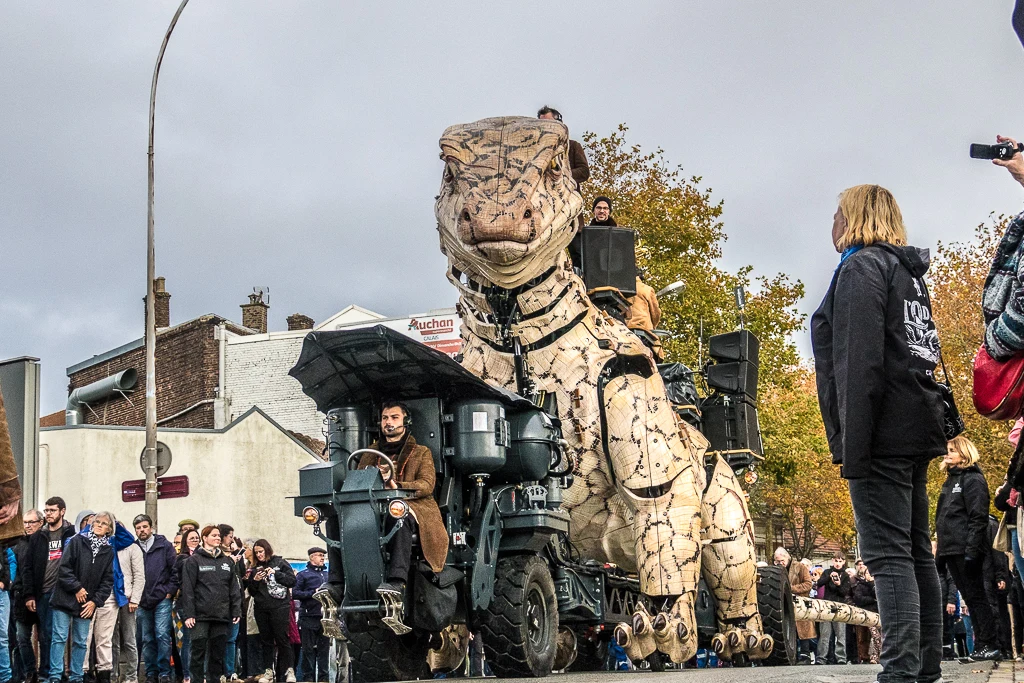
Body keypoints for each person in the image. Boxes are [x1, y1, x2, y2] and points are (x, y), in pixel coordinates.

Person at [811, 184, 947, 682]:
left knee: (888, 556)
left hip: (881, 432)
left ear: (852, 218)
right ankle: (924, 667)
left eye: (835, 213)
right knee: (914, 552)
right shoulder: (906, 272)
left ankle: (899, 673)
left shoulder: (860, 268)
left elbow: (858, 364)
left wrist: (854, 446)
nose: (831, 223)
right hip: (915, 426)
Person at [356, 402, 448, 597]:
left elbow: (426, 485)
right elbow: (357, 481)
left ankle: (397, 581)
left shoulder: (421, 452)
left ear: (406, 422)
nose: (388, 422)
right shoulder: (369, 454)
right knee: (336, 520)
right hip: (374, 507)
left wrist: (396, 486)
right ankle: (336, 582)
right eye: (385, 418)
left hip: (414, 505)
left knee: (398, 514)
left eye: (394, 417)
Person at [935, 435, 1002, 660]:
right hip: (951, 549)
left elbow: (978, 517)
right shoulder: (949, 481)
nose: (947, 453)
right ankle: (982, 644)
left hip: (966, 548)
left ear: (964, 453)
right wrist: (941, 553)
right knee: (969, 598)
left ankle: (989, 643)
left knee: (977, 597)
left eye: (952, 450)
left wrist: (972, 551)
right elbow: (943, 518)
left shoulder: (973, 479)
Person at [48, 511, 114, 683]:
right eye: (96, 522)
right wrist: (77, 588)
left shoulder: (108, 551)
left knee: (80, 641)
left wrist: (95, 602)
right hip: (64, 598)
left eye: (104, 523)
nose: (99, 525)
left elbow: (107, 582)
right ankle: (55, 676)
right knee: (59, 637)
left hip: (86, 604)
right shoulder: (77, 541)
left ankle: (76, 677)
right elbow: (63, 568)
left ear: (109, 529)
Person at [178, 527, 240, 683]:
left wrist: (236, 610)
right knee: (198, 653)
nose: (218, 538)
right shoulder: (193, 561)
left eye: (219, 535)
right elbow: (188, 589)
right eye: (214, 535)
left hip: (221, 615)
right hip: (200, 616)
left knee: (217, 654)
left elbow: (234, 589)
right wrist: (189, 614)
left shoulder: (227, 561)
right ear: (204, 538)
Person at [23, 498, 74, 683]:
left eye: (52, 510)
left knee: (60, 635)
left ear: (62, 511)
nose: (49, 514)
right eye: (46, 510)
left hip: (64, 591)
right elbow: (28, 567)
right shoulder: (38, 537)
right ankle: (48, 673)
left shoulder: (71, 534)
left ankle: (58, 672)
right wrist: (29, 594)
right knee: (45, 635)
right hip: (43, 592)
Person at [133, 514, 177, 683]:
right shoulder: (133, 547)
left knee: (162, 635)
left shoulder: (164, 545)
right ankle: (151, 673)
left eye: (144, 527)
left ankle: (164, 672)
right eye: (138, 528)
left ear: (151, 528)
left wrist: (169, 591)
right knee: (147, 638)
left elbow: (174, 570)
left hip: (162, 599)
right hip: (142, 600)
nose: (142, 530)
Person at [245, 540, 296, 683]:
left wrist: (276, 574)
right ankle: (268, 670)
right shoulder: (255, 568)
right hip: (261, 608)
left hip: (280, 606)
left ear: (267, 550)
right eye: (256, 553)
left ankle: (289, 670)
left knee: (282, 639)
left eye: (261, 551)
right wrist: (254, 580)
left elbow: (292, 581)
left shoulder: (280, 563)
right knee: (266, 640)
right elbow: (252, 592)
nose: (259, 555)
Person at [106, 518, 144, 683]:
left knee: (129, 639)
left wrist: (135, 599)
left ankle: (131, 676)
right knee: (111, 640)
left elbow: (139, 576)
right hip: (109, 598)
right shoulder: (107, 545)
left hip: (127, 598)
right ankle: (113, 676)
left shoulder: (132, 547)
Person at [12, 511, 42, 683]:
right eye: (25, 522)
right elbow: (16, 571)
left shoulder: (44, 542)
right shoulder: (19, 544)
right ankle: (31, 672)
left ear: (41, 522)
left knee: (47, 638)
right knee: (22, 638)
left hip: (42, 596)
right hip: (22, 598)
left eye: (32, 522)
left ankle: (47, 672)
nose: (28, 525)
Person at [293, 548, 328, 682]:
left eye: (323, 555)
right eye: (320, 555)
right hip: (308, 616)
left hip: (325, 616)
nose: (322, 558)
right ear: (311, 557)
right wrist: (314, 592)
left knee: (324, 649)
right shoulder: (303, 575)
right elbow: (295, 593)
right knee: (308, 649)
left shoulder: (327, 575)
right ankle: (308, 677)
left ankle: (323, 678)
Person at [773, 548, 814, 664]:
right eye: (777, 561)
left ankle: (805, 656)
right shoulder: (776, 570)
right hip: (785, 605)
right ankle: (793, 656)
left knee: (803, 630)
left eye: (781, 560)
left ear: (787, 557)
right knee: (790, 631)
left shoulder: (800, 567)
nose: (780, 563)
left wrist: (791, 589)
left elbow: (808, 584)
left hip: (800, 602)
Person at [536, 106, 589, 187]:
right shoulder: (535, 149)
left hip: (568, 195)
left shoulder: (573, 146)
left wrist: (561, 174)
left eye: (550, 123)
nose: (547, 127)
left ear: (560, 123)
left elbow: (584, 172)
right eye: (542, 124)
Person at [813, 553, 851, 664]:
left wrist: (839, 584)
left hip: (840, 606)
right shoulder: (827, 572)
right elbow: (819, 583)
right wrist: (828, 578)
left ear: (843, 562)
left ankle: (841, 658)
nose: (838, 564)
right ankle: (821, 658)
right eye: (836, 561)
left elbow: (845, 592)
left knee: (840, 634)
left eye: (840, 561)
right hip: (827, 606)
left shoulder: (845, 575)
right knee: (824, 634)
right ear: (832, 561)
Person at [173, 530, 201, 683]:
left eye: (197, 538)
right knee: (188, 640)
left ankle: (197, 675)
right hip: (185, 602)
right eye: (192, 538)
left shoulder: (202, 556)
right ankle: (187, 675)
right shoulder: (182, 558)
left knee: (199, 641)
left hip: (201, 603)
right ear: (185, 541)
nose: (195, 540)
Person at [218, 525, 243, 681]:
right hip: (220, 604)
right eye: (230, 536)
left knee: (231, 640)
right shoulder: (217, 556)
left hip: (235, 602)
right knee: (218, 639)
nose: (231, 539)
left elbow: (240, 575)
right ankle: (218, 671)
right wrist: (229, 560)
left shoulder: (233, 554)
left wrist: (236, 554)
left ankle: (230, 672)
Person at [985, 514, 1013, 657]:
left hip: (992, 574)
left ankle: (1003, 647)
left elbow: (997, 553)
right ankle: (1003, 647)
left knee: (997, 612)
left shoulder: (990, 525)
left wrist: (1000, 576)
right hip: (992, 573)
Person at [851, 564, 880, 664]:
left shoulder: (877, 586)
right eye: (867, 573)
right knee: (862, 636)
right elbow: (858, 598)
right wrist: (872, 600)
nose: (869, 575)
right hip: (864, 613)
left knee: (876, 636)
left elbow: (878, 597)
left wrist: (872, 584)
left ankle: (876, 656)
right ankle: (864, 656)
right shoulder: (860, 585)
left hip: (876, 613)